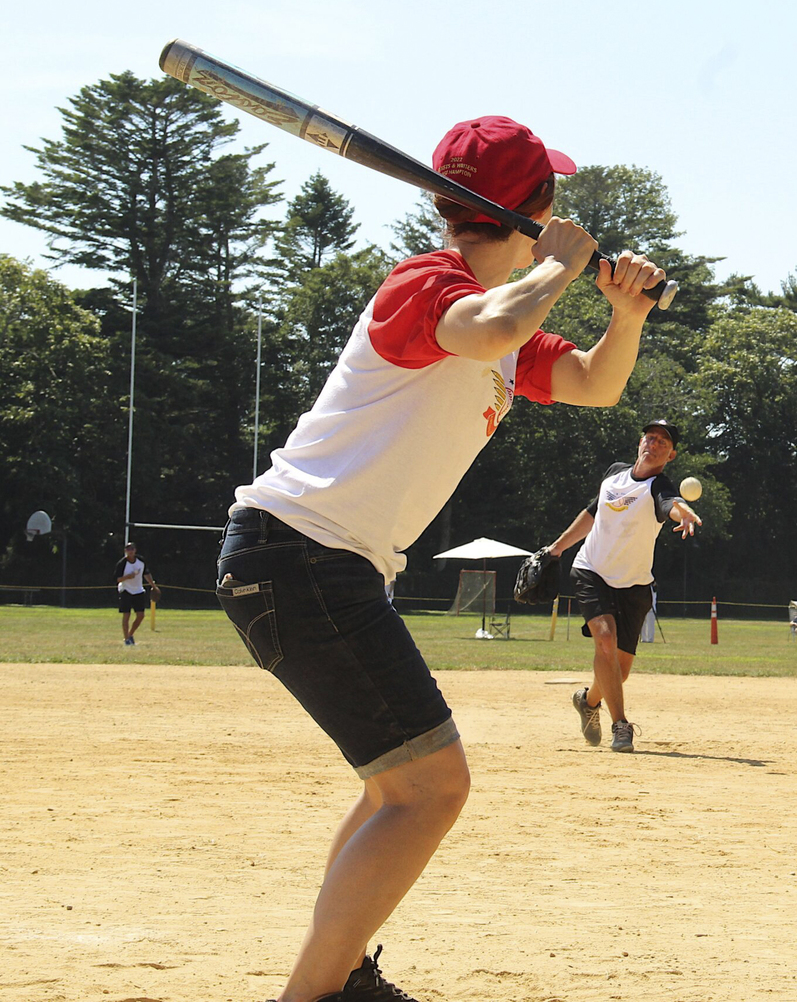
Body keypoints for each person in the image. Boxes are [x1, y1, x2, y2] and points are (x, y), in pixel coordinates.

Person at [214, 115, 666, 1002]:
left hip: (318, 565)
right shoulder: (430, 284)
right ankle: (318, 993)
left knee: (402, 789)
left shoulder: (500, 320)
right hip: (302, 554)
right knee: (431, 788)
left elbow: (593, 383)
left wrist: (626, 316)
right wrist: (558, 267)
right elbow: (487, 327)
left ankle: (336, 978)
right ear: (537, 208)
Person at [545, 421, 702, 752]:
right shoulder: (614, 474)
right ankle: (621, 725)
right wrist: (557, 548)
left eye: (662, 442)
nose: (653, 443)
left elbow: (669, 504)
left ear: (670, 454)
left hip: (634, 585)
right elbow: (593, 513)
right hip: (592, 570)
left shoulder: (660, 486)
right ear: (640, 441)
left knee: (620, 670)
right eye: (650, 437)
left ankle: (588, 701)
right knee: (605, 640)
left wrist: (683, 512)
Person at [114, 541, 154, 646]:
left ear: (135, 550)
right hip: (125, 590)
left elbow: (146, 573)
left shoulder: (141, 561)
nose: (130, 551)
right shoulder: (122, 563)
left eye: (132, 549)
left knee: (140, 615)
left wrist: (154, 586)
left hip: (138, 590)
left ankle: (130, 634)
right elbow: (117, 579)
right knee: (126, 615)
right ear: (125, 551)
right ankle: (126, 639)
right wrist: (127, 577)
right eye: (128, 549)